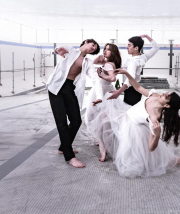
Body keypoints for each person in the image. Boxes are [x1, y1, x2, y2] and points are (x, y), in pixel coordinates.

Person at [88, 68, 180, 177]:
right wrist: (126, 73)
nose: (163, 94)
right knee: (103, 116)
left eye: (166, 97)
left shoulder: (154, 117)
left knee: (140, 164)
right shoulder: (155, 95)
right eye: (167, 93)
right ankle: (103, 147)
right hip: (125, 115)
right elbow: (137, 87)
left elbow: (151, 147)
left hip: (133, 128)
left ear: (166, 105)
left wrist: (157, 135)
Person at [47, 39, 102, 168]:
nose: (93, 48)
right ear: (86, 42)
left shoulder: (87, 62)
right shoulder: (70, 50)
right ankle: (69, 156)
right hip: (55, 88)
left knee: (76, 121)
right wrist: (57, 50)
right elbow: (59, 48)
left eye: (95, 48)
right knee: (62, 123)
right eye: (92, 44)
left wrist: (99, 96)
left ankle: (64, 146)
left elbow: (95, 79)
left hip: (69, 88)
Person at [85, 43, 121, 162]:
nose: (105, 51)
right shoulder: (108, 63)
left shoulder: (108, 64)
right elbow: (94, 63)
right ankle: (102, 141)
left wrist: (101, 75)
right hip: (103, 90)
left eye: (108, 50)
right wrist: (101, 57)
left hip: (102, 92)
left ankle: (102, 146)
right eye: (104, 49)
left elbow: (113, 78)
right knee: (100, 118)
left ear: (113, 53)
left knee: (93, 117)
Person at [107, 34, 159, 105]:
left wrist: (118, 92)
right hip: (135, 89)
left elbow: (130, 79)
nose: (127, 47)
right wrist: (146, 36)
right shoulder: (143, 57)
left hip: (131, 90)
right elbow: (156, 47)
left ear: (136, 48)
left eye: (129, 45)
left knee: (129, 112)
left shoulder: (133, 62)